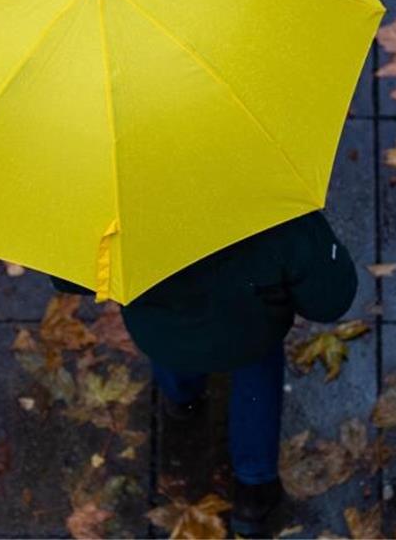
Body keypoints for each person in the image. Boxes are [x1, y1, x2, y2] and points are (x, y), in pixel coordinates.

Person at [50, 210, 358, 537]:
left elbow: (67, 276)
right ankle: (253, 493)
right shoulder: (274, 206)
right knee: (257, 377)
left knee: (174, 353)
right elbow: (330, 301)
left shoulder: (108, 207)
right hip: (249, 334)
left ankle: (181, 401)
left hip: (161, 331)